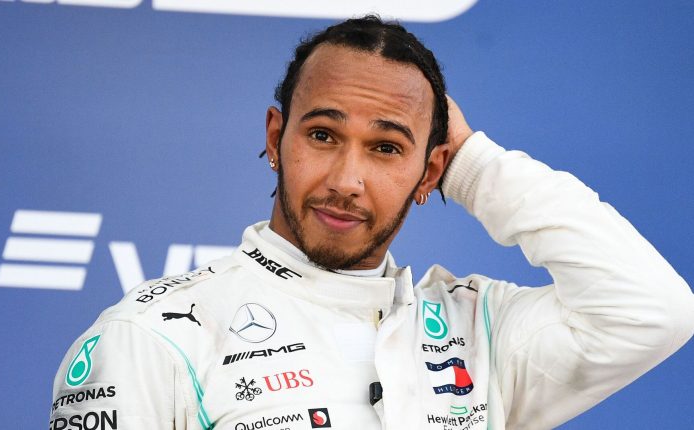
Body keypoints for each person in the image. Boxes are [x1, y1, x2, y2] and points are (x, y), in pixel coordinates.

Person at [49, 16, 694, 430]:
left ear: (429, 170)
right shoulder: (152, 337)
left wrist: (474, 166)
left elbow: (654, 311)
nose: (346, 179)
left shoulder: (479, 334)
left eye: (386, 147)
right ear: (275, 138)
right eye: (323, 135)